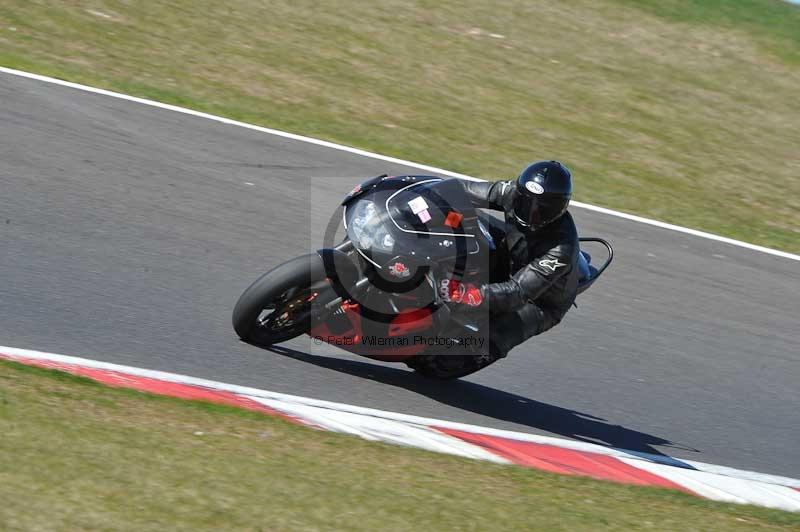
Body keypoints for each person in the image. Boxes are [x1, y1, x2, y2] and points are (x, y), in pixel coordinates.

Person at [447, 160, 580, 358]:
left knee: (491, 339)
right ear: (519, 193)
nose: (531, 212)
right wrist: (418, 189)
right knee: (459, 219)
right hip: (511, 253)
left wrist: (464, 294)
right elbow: (460, 188)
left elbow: (517, 293)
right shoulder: (512, 192)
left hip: (539, 300)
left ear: (560, 209)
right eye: (525, 202)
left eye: (542, 208)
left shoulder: (561, 250)